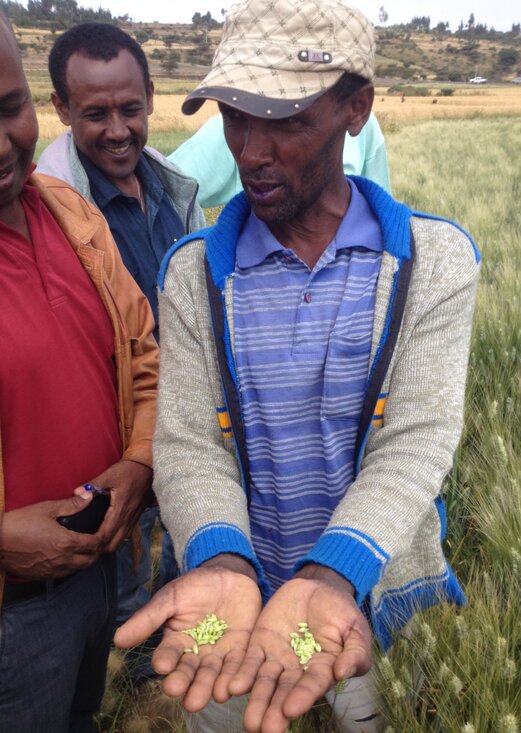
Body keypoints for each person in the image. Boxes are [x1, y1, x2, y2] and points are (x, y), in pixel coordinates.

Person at [115, 1, 480, 732]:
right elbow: (189, 442)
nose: (251, 150)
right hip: (229, 611)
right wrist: (221, 561)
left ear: (355, 108)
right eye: (235, 116)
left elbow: (416, 439)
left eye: (284, 118)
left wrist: (331, 572)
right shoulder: (194, 275)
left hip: (360, 598)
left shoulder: (431, 263)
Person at [0, 13, 158, 732]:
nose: (3, 144)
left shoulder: (68, 211)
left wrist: (139, 459)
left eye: (9, 109)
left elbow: (145, 356)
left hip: (99, 570)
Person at [36, 22, 205, 665]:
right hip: (119, 434)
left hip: (186, 417)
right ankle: (130, 665)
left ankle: (158, 649)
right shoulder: (56, 213)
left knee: (183, 539)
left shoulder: (168, 187)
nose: (118, 130)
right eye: (95, 113)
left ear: (152, 97)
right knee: (124, 560)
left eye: (130, 109)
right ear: (60, 109)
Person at [168, 111, 391, 208]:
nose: (252, 156)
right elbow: (165, 189)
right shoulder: (230, 129)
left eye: (290, 123)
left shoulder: (364, 126)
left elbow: (380, 206)